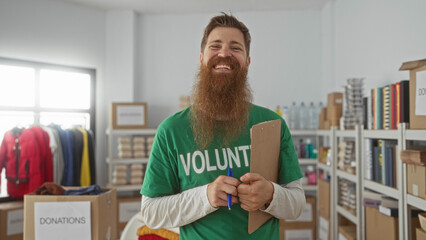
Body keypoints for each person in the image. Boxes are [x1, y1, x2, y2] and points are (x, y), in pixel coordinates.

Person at [140, 13, 305, 239]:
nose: (224, 53)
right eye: (215, 46)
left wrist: (270, 194)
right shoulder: (171, 130)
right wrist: (206, 196)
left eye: (235, 48)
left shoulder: (272, 124)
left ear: (247, 63)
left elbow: (297, 205)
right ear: (201, 58)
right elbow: (151, 213)